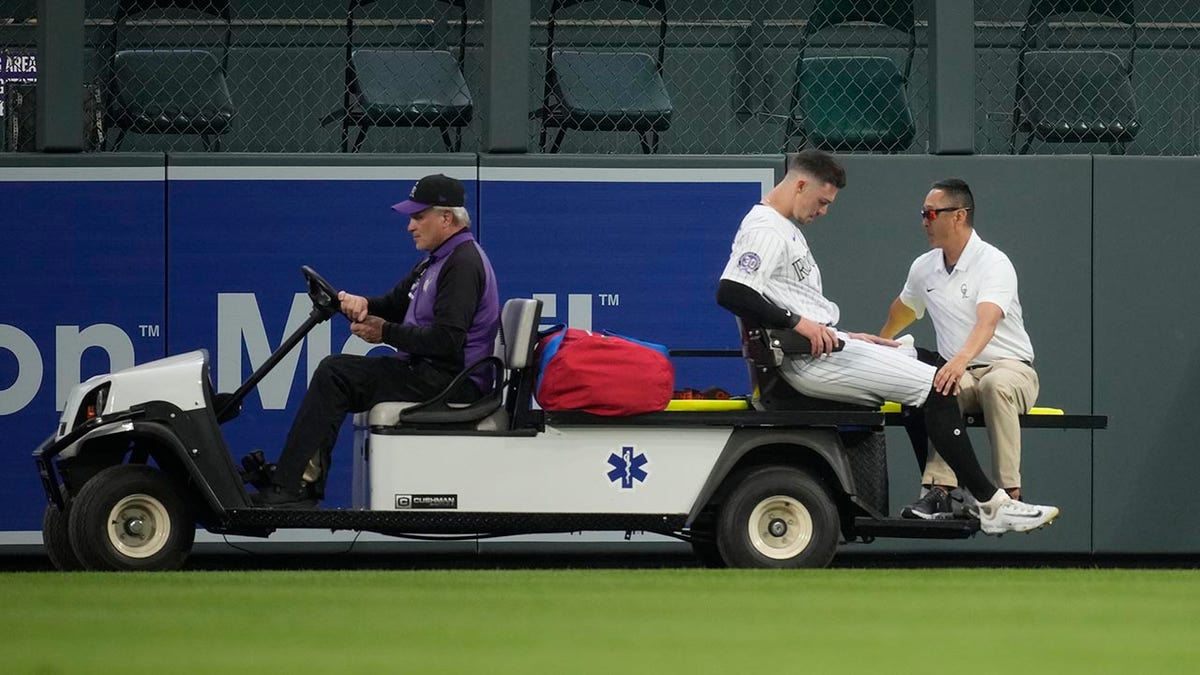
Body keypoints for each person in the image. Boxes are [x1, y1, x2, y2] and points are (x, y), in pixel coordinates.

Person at [715, 149, 1057, 535]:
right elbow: (732, 291)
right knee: (937, 384)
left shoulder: (783, 225)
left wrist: (853, 336)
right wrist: (801, 324)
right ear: (799, 185)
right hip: (810, 360)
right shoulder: (767, 228)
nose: (824, 211)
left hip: (829, 348)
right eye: (823, 201)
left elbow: (987, 320)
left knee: (934, 373)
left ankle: (953, 497)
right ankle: (988, 501)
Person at [253, 173, 500, 508]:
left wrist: (383, 331)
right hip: (429, 373)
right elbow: (394, 304)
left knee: (336, 374)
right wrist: (358, 304)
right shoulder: (436, 260)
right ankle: (295, 478)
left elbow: (447, 340)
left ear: (446, 217)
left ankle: (295, 484)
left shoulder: (462, 264)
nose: (410, 226)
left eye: (418, 217)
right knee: (338, 373)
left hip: (451, 382)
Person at [880, 178, 1039, 520]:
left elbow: (988, 321)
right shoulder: (924, 268)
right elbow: (904, 308)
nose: (925, 220)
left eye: (931, 213)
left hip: (1011, 369)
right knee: (942, 388)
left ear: (959, 216)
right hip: (963, 372)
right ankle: (940, 491)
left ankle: (1008, 495)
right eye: (923, 213)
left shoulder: (994, 263)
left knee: (994, 385)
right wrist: (882, 341)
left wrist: (959, 360)